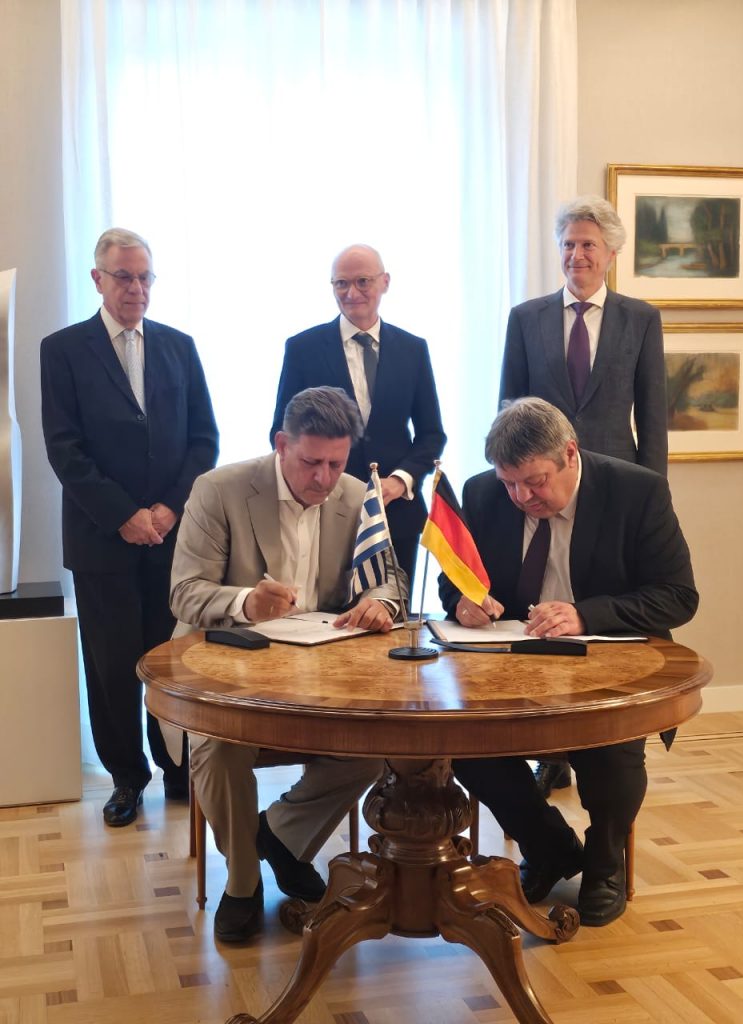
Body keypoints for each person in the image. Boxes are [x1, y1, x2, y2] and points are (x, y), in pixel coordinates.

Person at [439, 397, 697, 927]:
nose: (521, 497)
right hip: (510, 666)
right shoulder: (483, 493)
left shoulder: (636, 491)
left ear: (571, 454)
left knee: (611, 752)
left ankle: (604, 865)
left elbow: (677, 596)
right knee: (466, 749)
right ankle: (551, 849)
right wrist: (462, 600)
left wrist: (585, 614)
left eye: (534, 482)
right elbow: (456, 577)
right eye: (510, 483)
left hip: (607, 663)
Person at [170, 386, 404, 942]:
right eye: (311, 462)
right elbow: (184, 593)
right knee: (221, 748)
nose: (324, 479)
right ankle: (243, 883)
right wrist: (245, 603)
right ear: (281, 444)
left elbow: (390, 577)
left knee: (378, 745)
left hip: (321, 670)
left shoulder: (357, 496)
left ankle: (278, 836)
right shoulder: (219, 490)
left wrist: (383, 603)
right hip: (227, 666)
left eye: (336, 464)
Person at [41, 227, 218, 828]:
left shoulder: (179, 346)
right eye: (124, 277)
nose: (136, 288)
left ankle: (177, 769)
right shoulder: (63, 350)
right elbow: (64, 449)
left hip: (172, 539)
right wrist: (124, 515)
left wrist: (169, 509)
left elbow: (204, 440)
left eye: (145, 277)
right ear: (99, 279)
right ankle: (126, 778)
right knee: (113, 667)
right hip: (102, 542)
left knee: (172, 661)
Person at [499, 195, 669, 797]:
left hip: (612, 490)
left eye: (588, 244)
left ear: (611, 253)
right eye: (568, 244)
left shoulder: (640, 319)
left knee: (594, 611)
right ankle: (546, 745)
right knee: (542, 605)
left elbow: (653, 415)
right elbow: (509, 407)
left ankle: (599, 734)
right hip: (545, 487)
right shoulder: (527, 317)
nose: (576, 254)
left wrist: (655, 495)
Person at [269, 244, 446, 592]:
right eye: (341, 283)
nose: (352, 293)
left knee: (391, 612)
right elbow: (282, 431)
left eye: (363, 281)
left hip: (395, 513)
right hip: (324, 509)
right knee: (328, 610)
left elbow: (431, 434)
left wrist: (400, 481)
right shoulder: (303, 348)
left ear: (385, 282)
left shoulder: (413, 349)